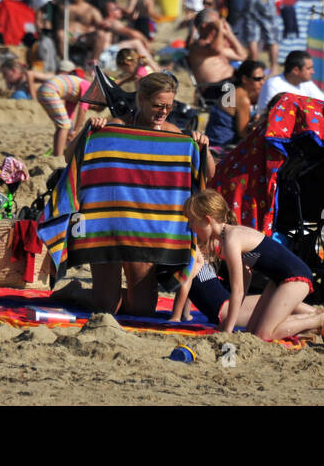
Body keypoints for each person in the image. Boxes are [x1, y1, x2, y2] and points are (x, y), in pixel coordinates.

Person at [78, 72, 216, 315]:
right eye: (157, 106)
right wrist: (89, 130)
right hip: (109, 223)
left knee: (142, 309)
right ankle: (73, 291)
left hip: (144, 227)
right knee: (105, 307)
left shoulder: (172, 133)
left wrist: (203, 147)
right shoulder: (117, 127)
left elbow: (209, 173)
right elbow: (72, 158)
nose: (163, 112)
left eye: (169, 107)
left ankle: (97, 294)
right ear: (140, 99)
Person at [183, 189, 323, 340]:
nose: (190, 227)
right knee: (251, 331)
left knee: (263, 335)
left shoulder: (231, 239)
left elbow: (237, 290)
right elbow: (245, 277)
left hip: (296, 277)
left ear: (208, 220)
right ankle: (309, 325)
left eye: (192, 221)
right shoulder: (227, 237)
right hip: (278, 280)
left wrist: (228, 330)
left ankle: (319, 319)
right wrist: (228, 322)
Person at [205, 59, 265, 148]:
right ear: (245, 79)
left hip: (213, 139)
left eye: (263, 78)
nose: (262, 82)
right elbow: (243, 134)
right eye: (257, 79)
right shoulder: (242, 99)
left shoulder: (236, 91)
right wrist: (257, 124)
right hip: (221, 145)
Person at [36, 62, 92, 157]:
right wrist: (76, 131)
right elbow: (82, 110)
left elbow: (69, 115)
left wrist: (70, 132)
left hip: (43, 90)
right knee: (64, 126)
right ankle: (58, 155)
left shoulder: (74, 93)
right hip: (50, 90)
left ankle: (56, 153)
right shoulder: (88, 87)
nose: (91, 106)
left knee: (63, 125)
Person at [186, 8, 247, 88]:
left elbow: (242, 56)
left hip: (229, 83)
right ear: (205, 25)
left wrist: (229, 34)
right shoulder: (196, 46)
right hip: (214, 88)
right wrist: (219, 30)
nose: (220, 25)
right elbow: (217, 50)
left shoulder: (214, 46)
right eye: (215, 23)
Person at [257, 50, 324, 108]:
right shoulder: (273, 85)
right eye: (309, 68)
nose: (313, 72)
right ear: (295, 70)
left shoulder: (308, 84)